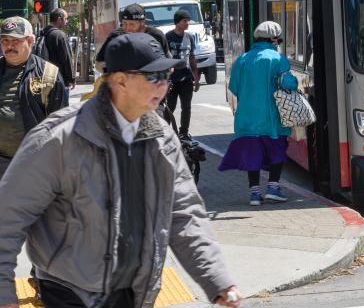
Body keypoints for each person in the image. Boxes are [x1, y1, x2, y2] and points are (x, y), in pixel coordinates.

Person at [0, 32, 242, 308]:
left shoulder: (161, 138)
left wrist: (216, 278)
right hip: (69, 291)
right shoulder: (58, 138)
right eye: (153, 76)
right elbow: (8, 215)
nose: (164, 85)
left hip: (135, 291)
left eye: (166, 74)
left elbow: (184, 212)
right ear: (121, 80)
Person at [219, 20, 296, 205]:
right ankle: (273, 188)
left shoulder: (243, 59)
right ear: (274, 39)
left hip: (246, 119)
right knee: (277, 151)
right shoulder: (278, 59)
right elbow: (288, 84)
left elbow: (234, 87)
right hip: (271, 119)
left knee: (251, 155)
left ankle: (254, 194)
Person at [0, 17, 69, 180]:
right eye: (4, 40)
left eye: (16, 40)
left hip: (34, 165)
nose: (9, 45)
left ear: (30, 40)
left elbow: (62, 125)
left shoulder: (49, 74)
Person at [95, 4, 170, 73]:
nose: (127, 28)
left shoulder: (157, 35)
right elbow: (99, 63)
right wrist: (113, 73)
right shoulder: (115, 36)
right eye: (124, 23)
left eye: (131, 24)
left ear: (142, 23)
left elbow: (168, 61)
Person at [165, 9, 200, 140]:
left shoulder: (190, 37)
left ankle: (184, 132)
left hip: (186, 78)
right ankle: (166, 133)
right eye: (184, 20)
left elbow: (192, 58)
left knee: (186, 107)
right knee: (170, 107)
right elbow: (163, 58)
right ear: (177, 22)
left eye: (188, 20)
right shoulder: (167, 37)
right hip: (172, 79)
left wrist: (196, 78)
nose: (187, 23)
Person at [34, 8, 75, 89]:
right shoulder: (60, 35)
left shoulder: (42, 33)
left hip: (44, 78)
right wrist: (71, 79)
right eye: (66, 19)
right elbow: (66, 59)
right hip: (59, 80)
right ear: (59, 19)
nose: (66, 22)